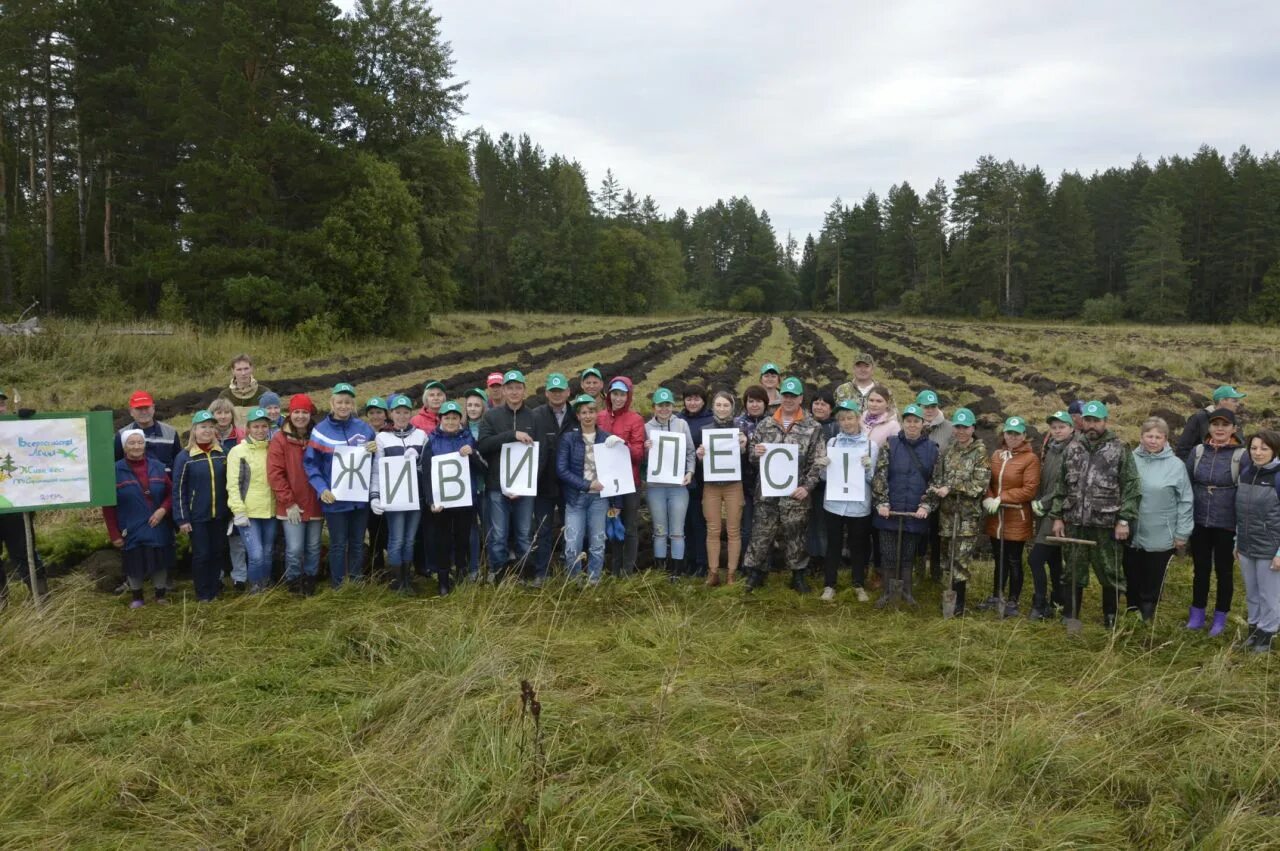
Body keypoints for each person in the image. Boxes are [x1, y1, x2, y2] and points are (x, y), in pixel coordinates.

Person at [1049, 400, 1142, 629]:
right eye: (1087, 420)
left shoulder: (1119, 448)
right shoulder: (1073, 448)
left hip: (1106, 525)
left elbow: (1131, 486)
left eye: (1096, 421)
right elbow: (1061, 485)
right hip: (1074, 523)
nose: (1091, 425)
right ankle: (1071, 618)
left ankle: (1110, 618)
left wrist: (1123, 520)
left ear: (1105, 422)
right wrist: (1057, 516)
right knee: (1072, 572)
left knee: (1110, 574)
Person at [743, 377, 828, 593]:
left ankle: (798, 576)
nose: (789, 400)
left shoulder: (812, 427)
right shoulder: (766, 423)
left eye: (793, 396)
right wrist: (756, 452)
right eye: (786, 396)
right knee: (761, 534)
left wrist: (807, 487)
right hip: (767, 494)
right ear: (781, 396)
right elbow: (753, 454)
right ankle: (756, 574)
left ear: (801, 398)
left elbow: (818, 461)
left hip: (795, 494)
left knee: (796, 536)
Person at [304, 383, 377, 588]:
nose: (343, 406)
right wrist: (321, 489)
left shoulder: (364, 429)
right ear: (332, 403)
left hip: (359, 501)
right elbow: (311, 464)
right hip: (334, 500)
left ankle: (355, 581)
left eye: (347, 402)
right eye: (339, 402)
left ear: (353, 404)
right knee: (338, 544)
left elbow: (374, 465)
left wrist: (375, 449)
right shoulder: (320, 431)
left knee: (357, 542)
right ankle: (338, 584)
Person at [1184, 407, 1246, 636]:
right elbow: (1187, 483)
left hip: (1226, 523)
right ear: (1209, 427)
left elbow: (1245, 490)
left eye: (1225, 425)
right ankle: (1197, 614)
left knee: (1224, 571)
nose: (1220, 429)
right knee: (1200, 569)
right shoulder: (1198, 451)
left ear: (1234, 429)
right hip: (1199, 521)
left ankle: (1220, 617)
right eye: (1215, 424)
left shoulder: (1242, 455)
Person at [1125, 417, 1193, 622]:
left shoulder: (1176, 466)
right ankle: (1131, 609)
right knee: (1131, 573)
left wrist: (1182, 532)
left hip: (1161, 533)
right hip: (1131, 532)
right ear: (1141, 437)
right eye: (1149, 436)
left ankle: (1148, 612)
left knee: (1153, 576)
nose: (1153, 440)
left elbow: (1186, 501)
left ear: (1166, 439)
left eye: (1158, 436)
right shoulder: (1130, 460)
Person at [871, 404, 939, 607]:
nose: (912, 424)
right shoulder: (890, 445)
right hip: (889, 511)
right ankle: (888, 593)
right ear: (903, 423)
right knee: (889, 554)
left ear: (922, 423)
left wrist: (926, 506)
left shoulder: (932, 449)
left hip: (914, 512)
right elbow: (879, 476)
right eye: (908, 421)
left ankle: (907, 593)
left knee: (908, 555)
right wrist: (882, 502)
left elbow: (935, 481)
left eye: (916, 421)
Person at [476, 370, 538, 581]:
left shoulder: (533, 416)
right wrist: (511, 435)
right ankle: (498, 573)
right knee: (499, 535)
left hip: (525, 489)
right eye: (509, 388)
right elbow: (483, 446)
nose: (513, 392)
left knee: (523, 534)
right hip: (496, 487)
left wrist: (526, 483)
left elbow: (542, 452)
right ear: (503, 390)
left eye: (517, 388)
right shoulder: (491, 416)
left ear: (524, 391)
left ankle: (524, 574)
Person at [928, 408, 989, 616]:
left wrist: (952, 488)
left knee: (960, 561)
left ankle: (959, 605)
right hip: (947, 515)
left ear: (973, 428)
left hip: (966, 518)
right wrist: (936, 488)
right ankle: (950, 596)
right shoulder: (949, 450)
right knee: (948, 559)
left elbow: (979, 485)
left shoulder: (980, 452)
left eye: (966, 427)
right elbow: (939, 475)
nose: (961, 431)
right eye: (958, 427)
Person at [104, 429, 174, 608]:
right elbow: (108, 505)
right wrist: (114, 533)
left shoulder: (157, 466)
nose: (136, 446)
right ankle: (137, 597)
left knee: (160, 559)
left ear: (144, 445)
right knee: (133, 560)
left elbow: (171, 493)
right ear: (124, 447)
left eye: (140, 442)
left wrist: (163, 510)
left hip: (157, 522)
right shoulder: (113, 470)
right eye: (131, 443)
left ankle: (160, 595)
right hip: (131, 524)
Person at [979, 416, 1040, 618]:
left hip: (1016, 516)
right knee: (999, 558)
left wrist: (1002, 497)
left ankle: (1013, 600)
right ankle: (997, 595)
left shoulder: (1030, 459)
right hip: (996, 516)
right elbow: (987, 480)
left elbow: (1029, 489)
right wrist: (988, 498)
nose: (1012, 437)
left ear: (1024, 436)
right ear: (1003, 434)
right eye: (1009, 433)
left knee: (1014, 559)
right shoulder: (997, 455)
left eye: (1017, 433)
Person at [818, 400, 878, 602]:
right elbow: (826, 479)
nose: (846, 422)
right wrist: (824, 467)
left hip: (858, 505)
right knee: (833, 544)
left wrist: (868, 467)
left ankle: (858, 584)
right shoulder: (832, 443)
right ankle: (829, 585)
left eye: (850, 417)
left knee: (858, 545)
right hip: (834, 504)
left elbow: (874, 480)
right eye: (842, 419)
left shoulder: (871, 445)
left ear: (858, 418)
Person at [370, 395, 428, 595]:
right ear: (391, 414)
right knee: (396, 539)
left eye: (405, 412)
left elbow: (427, 467)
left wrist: (418, 459)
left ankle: (407, 579)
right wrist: (375, 495)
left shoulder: (421, 435)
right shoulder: (382, 438)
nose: (402, 416)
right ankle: (397, 581)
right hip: (393, 499)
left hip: (416, 498)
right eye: (397, 412)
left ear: (410, 413)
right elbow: (377, 469)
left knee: (410, 539)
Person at [268, 394, 324, 596]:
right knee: (294, 548)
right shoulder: (280, 439)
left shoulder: (318, 437)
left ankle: (310, 581)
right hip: (291, 504)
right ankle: (293, 582)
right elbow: (275, 473)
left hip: (315, 502)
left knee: (314, 546)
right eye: (296, 412)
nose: (300, 416)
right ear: (290, 414)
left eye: (305, 412)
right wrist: (288, 501)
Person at [424, 401, 481, 596]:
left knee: (463, 540)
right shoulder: (431, 440)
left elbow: (481, 466)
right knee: (442, 541)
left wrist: (472, 453)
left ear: (460, 420)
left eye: (454, 418)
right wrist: (431, 501)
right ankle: (443, 581)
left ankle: (462, 576)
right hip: (442, 504)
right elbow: (426, 473)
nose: (450, 421)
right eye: (447, 418)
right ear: (440, 419)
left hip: (465, 501)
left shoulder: (468, 437)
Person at [172, 411, 230, 602]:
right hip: (197, 516)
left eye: (211, 427)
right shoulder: (185, 456)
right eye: (203, 427)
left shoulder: (222, 453)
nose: (207, 431)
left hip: (220, 514)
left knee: (217, 552)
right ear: (194, 430)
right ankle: (202, 593)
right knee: (202, 554)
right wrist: (182, 518)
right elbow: (179, 489)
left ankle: (214, 589)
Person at [557, 394, 613, 585]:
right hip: (576, 498)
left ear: (597, 414)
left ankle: (593, 581)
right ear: (578, 416)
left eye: (591, 411)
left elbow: (618, 469)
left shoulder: (607, 439)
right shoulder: (569, 439)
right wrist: (587, 484)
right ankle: (574, 582)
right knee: (572, 544)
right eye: (583, 412)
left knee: (598, 543)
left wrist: (623, 445)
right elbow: (561, 470)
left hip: (599, 499)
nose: (588, 416)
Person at [1236, 430, 1280, 651]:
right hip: (1245, 546)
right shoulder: (1245, 473)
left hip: (1269, 548)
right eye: (1253, 448)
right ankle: (1253, 631)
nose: (1258, 452)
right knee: (1252, 592)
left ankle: (1266, 637)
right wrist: (1237, 541)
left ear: (1274, 450)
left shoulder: (1278, 477)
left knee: (1269, 595)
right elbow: (1241, 512)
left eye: (1264, 448)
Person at [1028, 411, 1074, 621]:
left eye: (1062, 427)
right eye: (1054, 427)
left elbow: (1067, 485)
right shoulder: (1053, 449)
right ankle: (1058, 599)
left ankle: (1040, 604)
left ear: (1072, 428)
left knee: (1035, 559)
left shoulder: (1073, 451)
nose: (1057, 431)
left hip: (1059, 513)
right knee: (1054, 559)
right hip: (1047, 510)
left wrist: (1043, 503)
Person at [645, 388, 695, 580]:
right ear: (654, 407)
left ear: (672, 406)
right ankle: (661, 569)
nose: (664, 409)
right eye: (660, 405)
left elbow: (690, 452)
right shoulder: (646, 428)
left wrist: (690, 472)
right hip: (655, 487)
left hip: (678, 486)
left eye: (668, 405)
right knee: (659, 530)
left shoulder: (681, 424)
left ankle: (677, 571)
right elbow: (641, 460)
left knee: (677, 531)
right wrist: (645, 449)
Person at [698, 390, 747, 586]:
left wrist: (744, 446)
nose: (722, 409)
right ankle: (713, 572)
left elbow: (745, 457)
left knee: (734, 530)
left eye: (726, 405)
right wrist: (701, 457)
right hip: (711, 486)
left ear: (732, 408)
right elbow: (704, 463)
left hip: (734, 485)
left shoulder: (740, 430)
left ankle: (732, 574)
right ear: (713, 407)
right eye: (718, 405)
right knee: (713, 529)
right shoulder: (706, 429)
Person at [226, 408, 277, 593]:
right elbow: (233, 484)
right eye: (256, 426)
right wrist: (238, 510)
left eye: (264, 426)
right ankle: (255, 588)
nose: (260, 430)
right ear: (248, 428)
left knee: (268, 553)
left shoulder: (273, 448)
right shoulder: (238, 451)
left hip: (270, 510)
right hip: (248, 513)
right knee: (256, 554)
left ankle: (266, 585)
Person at [597, 376, 645, 577]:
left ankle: (628, 569)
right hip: (606, 484)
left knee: (630, 526)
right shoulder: (600, 417)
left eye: (622, 395)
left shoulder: (635, 420)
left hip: (629, 482)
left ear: (628, 396)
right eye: (615, 394)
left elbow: (639, 454)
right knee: (612, 523)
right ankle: (614, 568)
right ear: (609, 395)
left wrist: (622, 444)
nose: (618, 398)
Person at [529, 372, 573, 586]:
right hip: (543, 484)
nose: (557, 395)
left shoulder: (576, 414)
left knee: (570, 528)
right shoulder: (536, 415)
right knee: (543, 529)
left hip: (570, 485)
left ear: (568, 392)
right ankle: (541, 572)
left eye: (561, 391)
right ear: (546, 393)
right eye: (553, 391)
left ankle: (570, 568)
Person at [208, 396, 247, 590]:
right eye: (218, 413)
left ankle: (239, 577)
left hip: (238, 493)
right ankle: (218, 576)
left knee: (237, 539)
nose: (223, 417)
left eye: (226, 412)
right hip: (215, 494)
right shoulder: (205, 435)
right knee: (217, 539)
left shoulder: (241, 436)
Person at [678, 384, 715, 576]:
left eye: (697, 399)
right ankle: (688, 560)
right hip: (681, 478)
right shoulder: (677, 419)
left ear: (703, 400)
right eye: (689, 398)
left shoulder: (711, 419)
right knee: (684, 522)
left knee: (699, 521)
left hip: (703, 479)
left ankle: (702, 562)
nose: (692, 403)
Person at [735, 385, 770, 567]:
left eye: (758, 401)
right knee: (747, 527)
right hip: (745, 483)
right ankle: (746, 565)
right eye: (751, 401)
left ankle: (764, 564)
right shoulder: (736, 424)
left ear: (765, 403)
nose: (754, 405)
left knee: (766, 527)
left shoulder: (774, 423)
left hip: (768, 484)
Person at [113, 390, 182, 468]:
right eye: (139, 408)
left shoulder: (171, 433)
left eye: (146, 407)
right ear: (131, 411)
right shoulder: (121, 435)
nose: (144, 412)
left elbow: (178, 464)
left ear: (153, 408)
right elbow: (116, 465)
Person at [1176, 385, 1247, 460]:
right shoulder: (1199, 419)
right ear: (1222, 401)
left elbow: (1240, 447)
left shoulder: (1235, 422)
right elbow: (1183, 449)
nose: (1237, 404)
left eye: (1225, 424)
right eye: (1234, 401)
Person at [363, 396, 391, 577]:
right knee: (373, 529)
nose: (375, 416)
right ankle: (377, 567)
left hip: (390, 489)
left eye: (379, 412)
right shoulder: (363, 434)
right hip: (367, 491)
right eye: (372, 413)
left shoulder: (392, 432)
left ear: (385, 414)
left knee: (388, 529)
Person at [464, 388, 489, 579]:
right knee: (471, 529)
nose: (473, 409)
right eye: (470, 405)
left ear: (483, 407)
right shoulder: (460, 428)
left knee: (490, 527)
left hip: (487, 486)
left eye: (477, 405)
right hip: (467, 488)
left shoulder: (490, 427)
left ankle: (491, 565)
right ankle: (473, 568)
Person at [218, 354, 273, 428]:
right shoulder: (225, 395)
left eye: (246, 369)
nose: (243, 373)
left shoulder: (264, 393)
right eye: (239, 369)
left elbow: (273, 419)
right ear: (233, 371)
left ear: (252, 369)